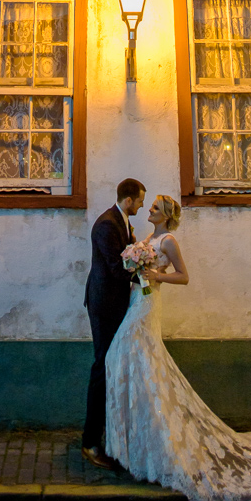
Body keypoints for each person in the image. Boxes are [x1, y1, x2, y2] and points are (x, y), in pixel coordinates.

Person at [105, 194, 251, 501]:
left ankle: (151, 439)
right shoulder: (149, 238)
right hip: (138, 298)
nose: (149, 209)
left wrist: (156, 276)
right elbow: (138, 267)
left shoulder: (169, 241)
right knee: (129, 359)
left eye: (155, 208)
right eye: (150, 206)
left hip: (148, 303)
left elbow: (184, 276)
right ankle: (140, 440)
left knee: (133, 356)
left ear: (165, 215)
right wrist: (134, 264)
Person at [81, 177, 146, 469]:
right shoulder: (107, 224)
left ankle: (109, 437)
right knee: (102, 368)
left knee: (111, 367)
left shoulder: (122, 222)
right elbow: (116, 268)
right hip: (104, 305)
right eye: (140, 201)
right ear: (128, 200)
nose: (142, 206)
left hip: (114, 303)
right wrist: (148, 278)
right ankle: (90, 442)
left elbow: (126, 258)